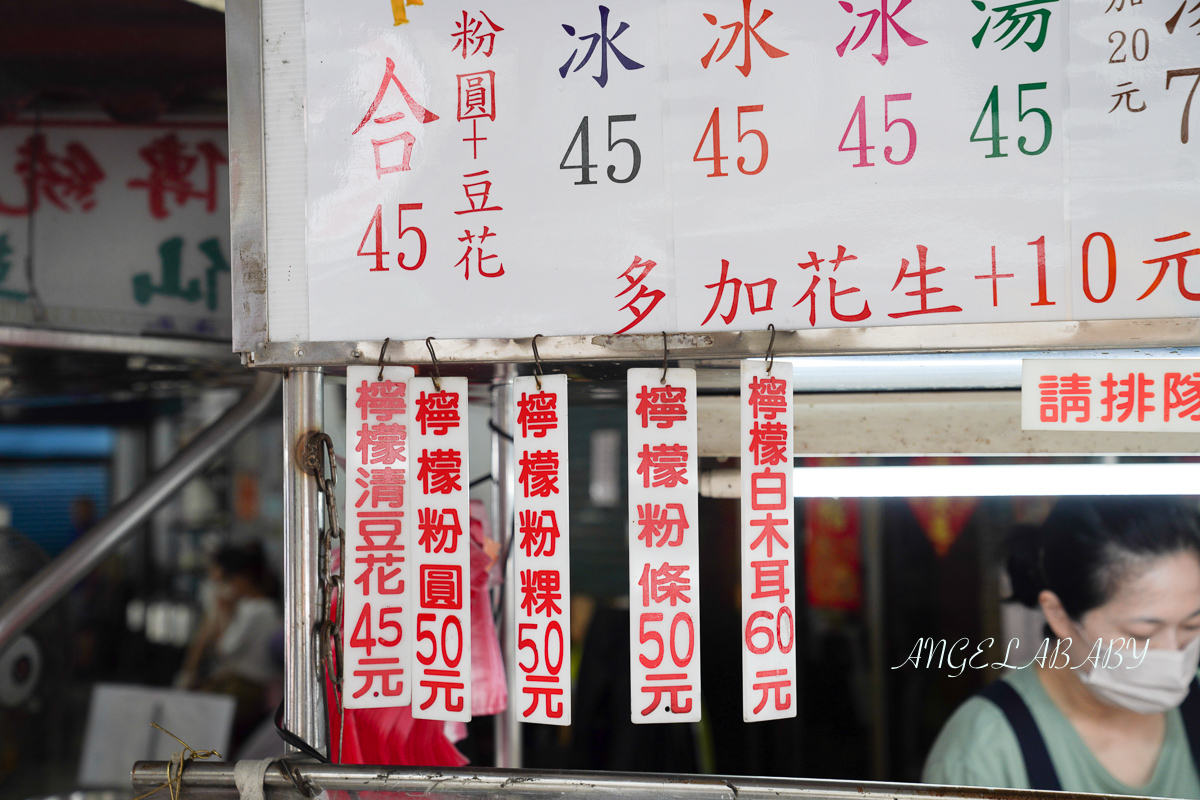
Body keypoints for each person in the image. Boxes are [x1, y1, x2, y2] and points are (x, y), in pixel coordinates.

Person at [924, 499, 1200, 797]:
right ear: (1058, 615)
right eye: (1142, 635)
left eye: (1191, 626)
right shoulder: (982, 753)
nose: (1174, 654)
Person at [178, 543, 282, 747]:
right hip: (243, 682)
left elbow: (225, 649)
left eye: (229, 581)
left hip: (250, 686)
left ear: (243, 579)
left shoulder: (257, 610)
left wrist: (224, 613)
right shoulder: (254, 607)